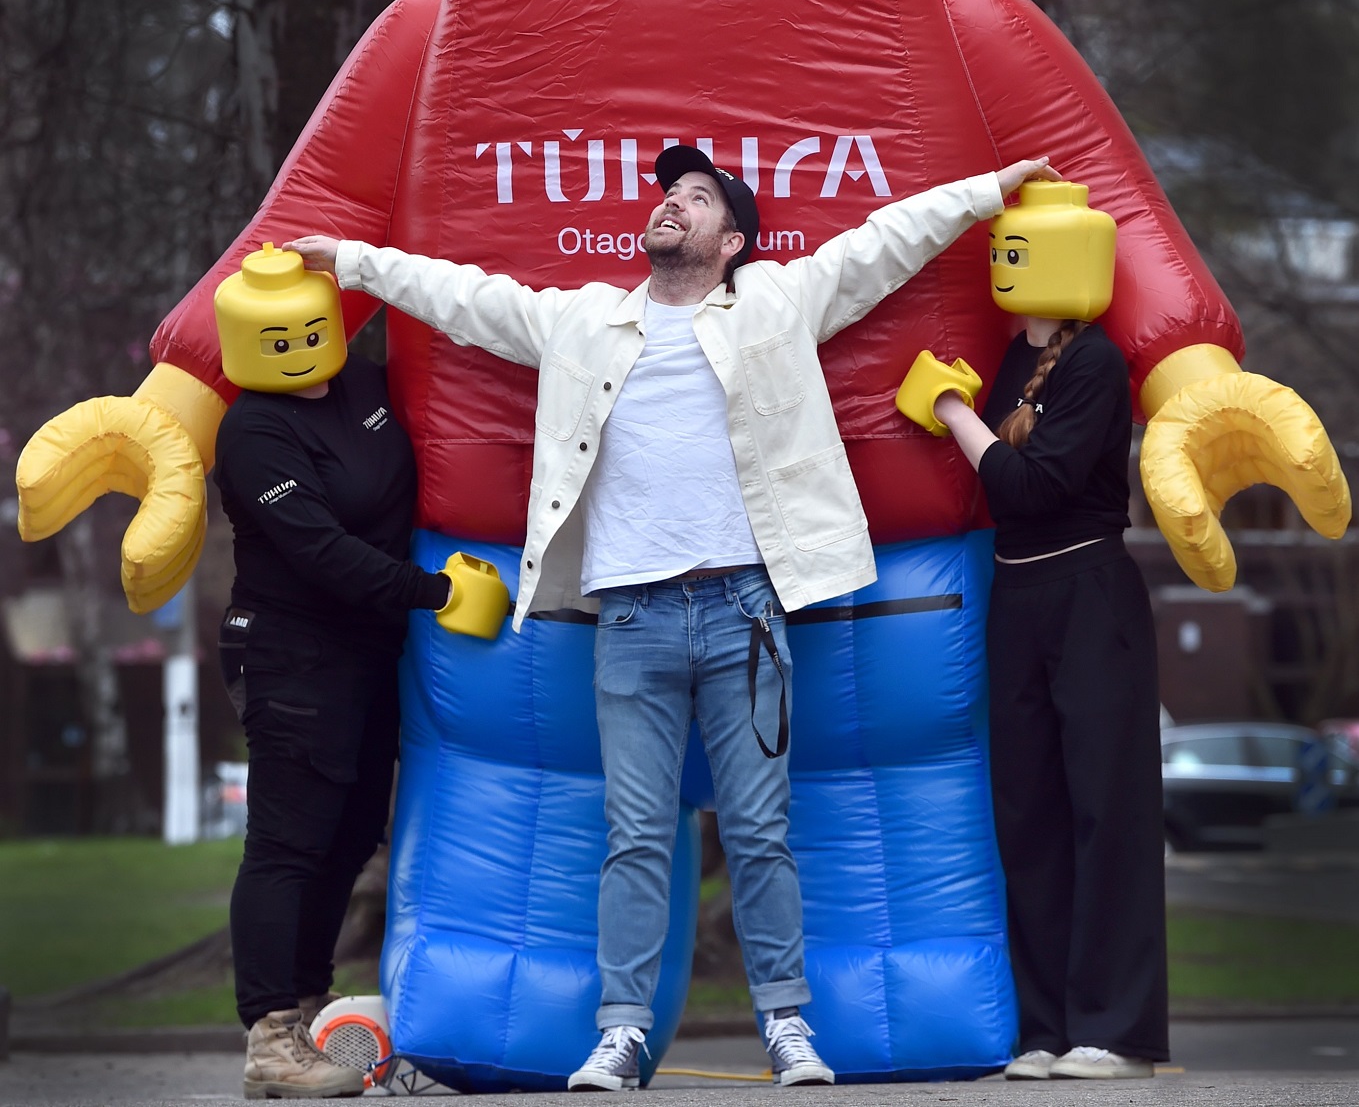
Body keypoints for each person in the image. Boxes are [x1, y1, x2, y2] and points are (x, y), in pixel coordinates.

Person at [289, 142, 1051, 1091]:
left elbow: (883, 242)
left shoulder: (779, 300)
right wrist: (351, 262)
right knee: (635, 833)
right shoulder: (580, 321)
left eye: (696, 199)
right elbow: (461, 295)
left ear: (731, 241)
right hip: (631, 618)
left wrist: (990, 190)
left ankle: (786, 1024)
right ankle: (620, 1031)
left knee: (761, 830)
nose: (671, 207)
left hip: (749, 608)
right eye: (667, 196)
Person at [211, 243, 456, 1101]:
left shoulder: (366, 382)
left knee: (353, 834)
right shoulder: (252, 430)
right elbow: (320, 550)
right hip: (288, 646)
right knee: (289, 838)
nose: (295, 346)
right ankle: (269, 1033)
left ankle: (312, 1011)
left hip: (368, 646)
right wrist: (433, 591)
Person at [931, 281, 1168, 1081]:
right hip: (1016, 595)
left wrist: (952, 413)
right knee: (1028, 815)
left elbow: (1030, 487)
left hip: (1088, 591)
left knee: (1106, 808)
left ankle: (1117, 1029)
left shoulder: (1096, 360)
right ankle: (1044, 1027)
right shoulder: (1007, 358)